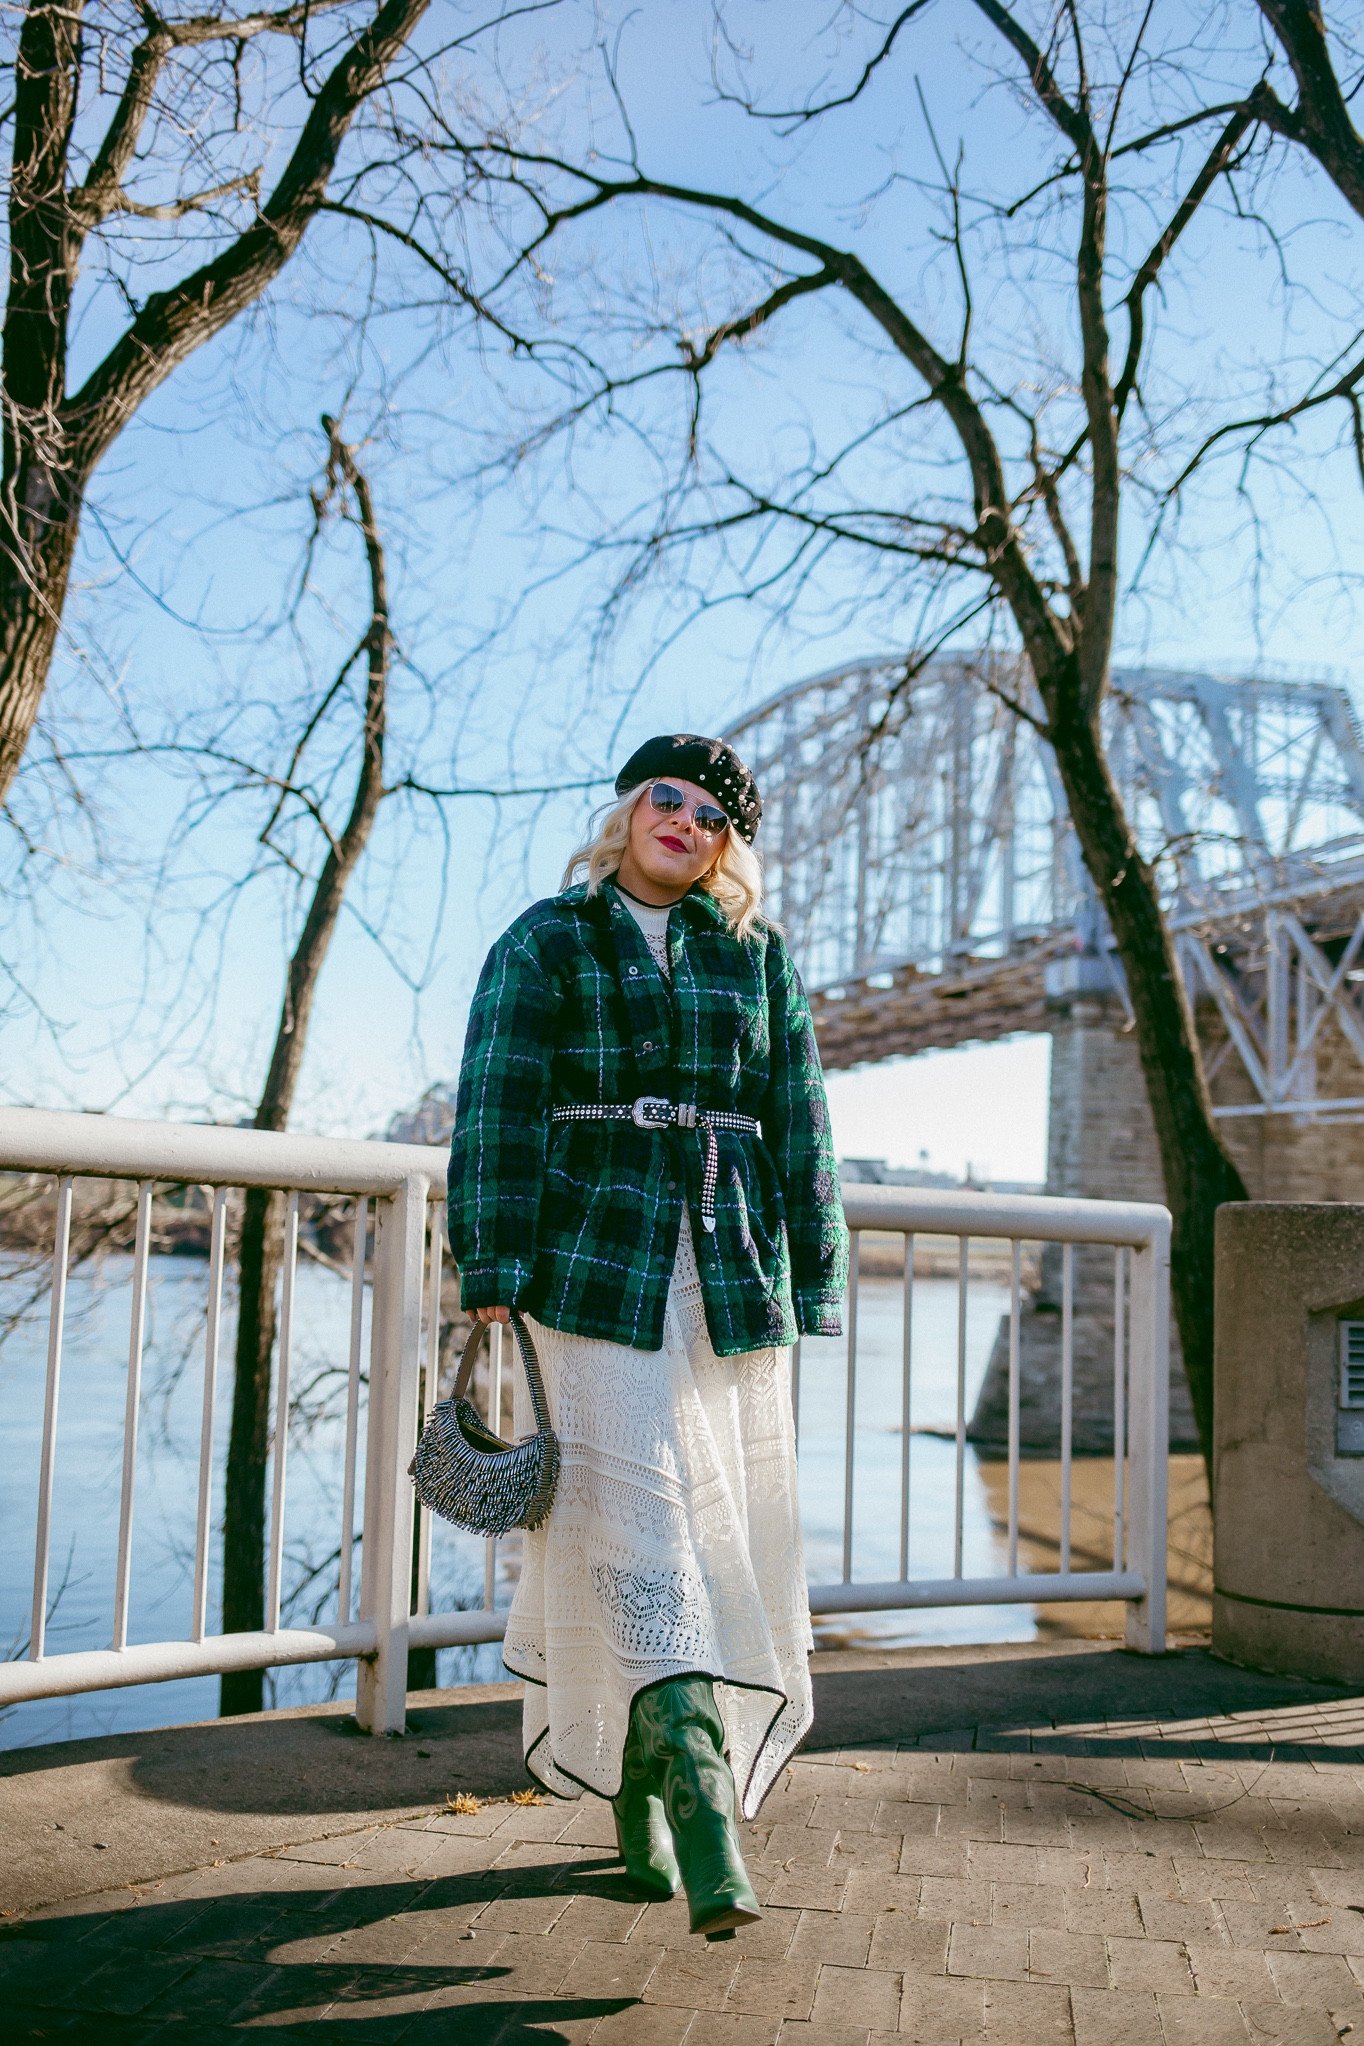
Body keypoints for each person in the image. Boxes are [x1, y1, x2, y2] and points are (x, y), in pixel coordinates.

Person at [447, 732, 848, 1939]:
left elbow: (801, 1115)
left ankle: (634, 1793)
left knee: (705, 1532)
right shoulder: (545, 939)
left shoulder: (757, 957)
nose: (687, 822)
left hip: (726, 1275)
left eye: (715, 817)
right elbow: (495, 1097)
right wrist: (491, 1259)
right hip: (587, 1266)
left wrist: (813, 1271)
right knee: (643, 1518)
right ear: (626, 810)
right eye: (666, 798)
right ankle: (703, 1800)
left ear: (731, 851)